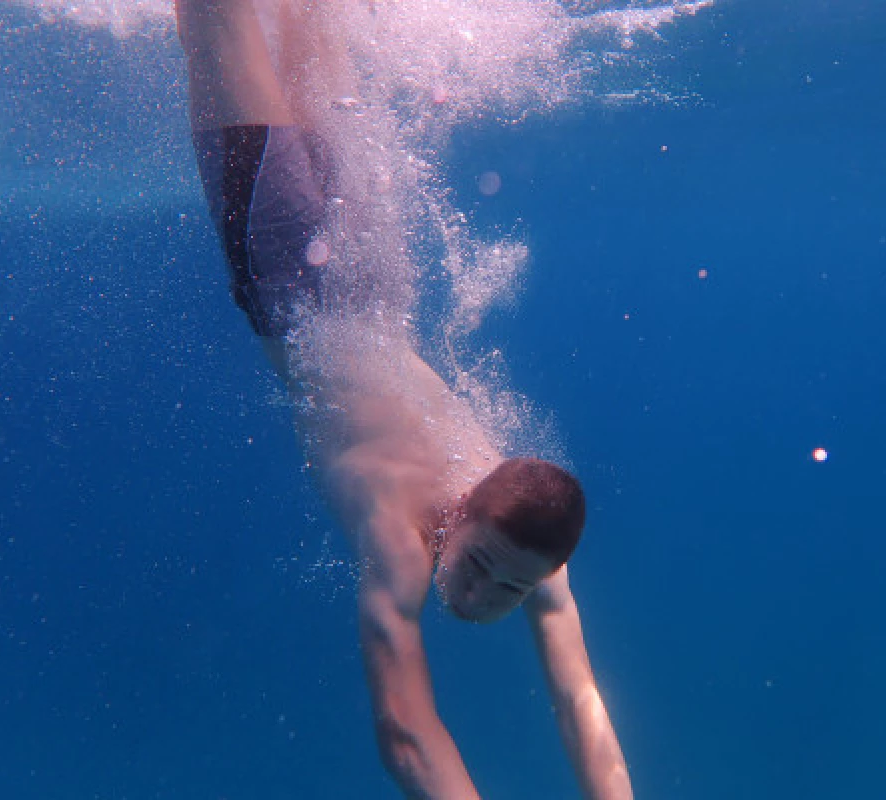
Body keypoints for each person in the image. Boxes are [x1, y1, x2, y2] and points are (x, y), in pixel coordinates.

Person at [174, 1, 633, 797]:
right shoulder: (399, 536)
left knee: (310, 23)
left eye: (511, 588)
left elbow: (579, 698)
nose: (480, 594)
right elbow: (406, 735)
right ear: (464, 510)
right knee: (217, 22)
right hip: (288, 279)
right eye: (484, 563)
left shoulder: (532, 552)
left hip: (373, 276)